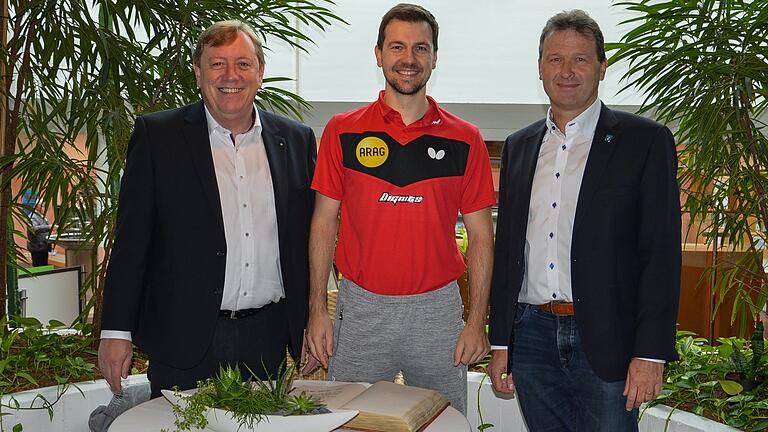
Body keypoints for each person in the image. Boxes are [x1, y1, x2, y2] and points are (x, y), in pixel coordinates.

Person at [98, 20, 318, 398]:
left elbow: (307, 240)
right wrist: (116, 331)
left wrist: (312, 318)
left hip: (266, 342)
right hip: (183, 339)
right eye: (217, 64)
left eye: (243, 64)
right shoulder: (158, 136)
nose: (230, 76)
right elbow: (132, 241)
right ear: (198, 73)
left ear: (260, 73)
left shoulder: (296, 140)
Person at [488, 9, 681, 431]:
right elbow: (508, 253)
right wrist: (501, 341)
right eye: (555, 59)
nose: (567, 71)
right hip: (533, 336)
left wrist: (650, 354)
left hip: (608, 338)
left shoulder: (645, 141)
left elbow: (660, 253)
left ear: (602, 67)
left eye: (580, 59)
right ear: (540, 68)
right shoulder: (519, 147)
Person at [304, 3, 496, 415]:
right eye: (397, 47)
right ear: (379, 55)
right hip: (361, 309)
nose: (409, 59)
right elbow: (323, 224)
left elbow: (481, 235)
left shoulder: (466, 138)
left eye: (420, 48)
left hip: (437, 311)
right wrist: (317, 310)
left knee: (446, 421)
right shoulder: (342, 130)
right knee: (349, 422)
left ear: (434, 58)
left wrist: (476, 319)